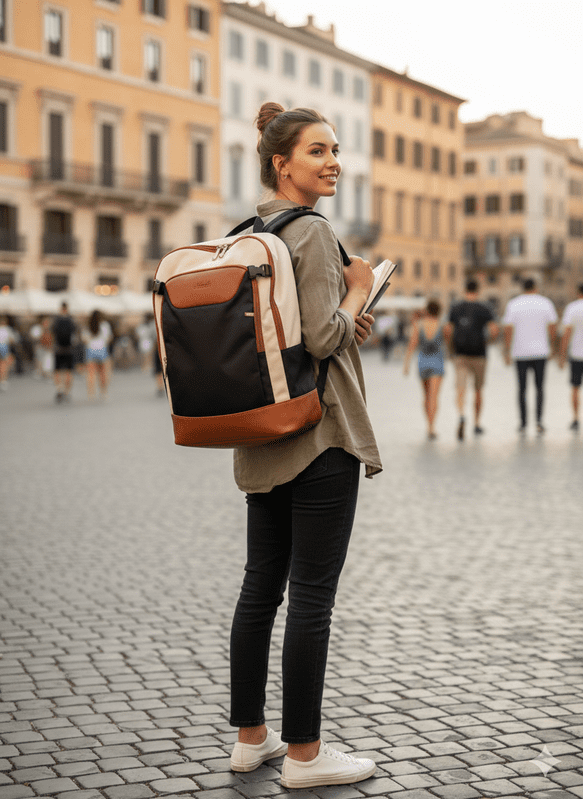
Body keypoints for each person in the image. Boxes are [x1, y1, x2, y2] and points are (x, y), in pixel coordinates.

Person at [228, 103, 381, 790]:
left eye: (335, 149)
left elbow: (295, 332)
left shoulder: (249, 232)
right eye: (317, 150)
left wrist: (349, 321)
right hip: (318, 436)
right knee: (310, 595)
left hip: (261, 437)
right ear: (280, 161)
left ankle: (250, 738)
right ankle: (305, 754)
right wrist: (357, 293)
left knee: (260, 587)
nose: (333, 162)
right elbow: (321, 338)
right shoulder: (314, 232)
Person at [444, 280, 499, 440]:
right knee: (478, 390)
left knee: (461, 389)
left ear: (464, 289)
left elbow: (447, 330)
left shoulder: (456, 307)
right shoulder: (485, 308)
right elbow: (494, 330)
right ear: (478, 290)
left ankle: (461, 415)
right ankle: (476, 423)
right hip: (479, 355)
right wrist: (487, 342)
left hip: (460, 354)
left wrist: (451, 347)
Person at [502, 278, 558, 435]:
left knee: (522, 389)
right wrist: (553, 345)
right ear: (536, 287)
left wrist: (507, 350)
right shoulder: (545, 303)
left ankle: (523, 423)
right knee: (540, 387)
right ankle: (539, 421)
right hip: (541, 352)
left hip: (520, 353)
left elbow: (507, 329)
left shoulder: (513, 304)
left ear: (522, 288)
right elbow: (553, 326)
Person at [403, 300, 445, 440]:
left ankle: (428, 423)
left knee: (426, 396)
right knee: (434, 396)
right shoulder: (442, 325)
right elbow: (449, 344)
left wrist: (406, 364)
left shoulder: (419, 325)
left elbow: (412, 344)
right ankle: (431, 426)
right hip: (438, 362)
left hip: (423, 362)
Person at [559, 283, 583, 431]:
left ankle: (575, 418)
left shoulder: (572, 308)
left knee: (575, 388)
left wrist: (562, 355)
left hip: (576, 354)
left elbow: (566, 333)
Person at [82, 309, 113, 399]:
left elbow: (84, 339)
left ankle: (91, 392)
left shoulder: (87, 326)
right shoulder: (105, 325)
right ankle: (103, 391)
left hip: (91, 349)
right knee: (103, 372)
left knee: (91, 373)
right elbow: (109, 338)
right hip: (102, 349)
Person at [52, 302, 77, 403]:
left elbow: (52, 333)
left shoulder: (56, 320)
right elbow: (75, 335)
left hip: (58, 349)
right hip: (69, 349)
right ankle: (67, 391)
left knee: (57, 370)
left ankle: (59, 388)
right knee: (68, 371)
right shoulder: (71, 320)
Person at [0, 315, 17, 390]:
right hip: (4, 347)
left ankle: (3, 380)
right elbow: (12, 340)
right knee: (5, 364)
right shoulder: (7, 329)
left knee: (4, 364)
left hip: (4, 347)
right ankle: (3, 380)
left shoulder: (7, 329)